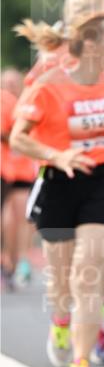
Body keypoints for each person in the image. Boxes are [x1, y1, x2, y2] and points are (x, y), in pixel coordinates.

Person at [10, 11, 104, 367]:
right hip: (59, 182)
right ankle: (60, 323)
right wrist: (56, 155)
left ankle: (80, 366)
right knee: (61, 281)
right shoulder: (48, 85)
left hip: (101, 183)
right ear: (90, 44)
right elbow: (19, 138)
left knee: (90, 275)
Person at [1, 69, 38, 287]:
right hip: (6, 168)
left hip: (23, 170)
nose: (11, 86)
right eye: (7, 83)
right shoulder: (4, 102)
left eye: (15, 82)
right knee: (7, 217)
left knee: (23, 217)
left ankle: (20, 260)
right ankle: (8, 261)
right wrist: (17, 137)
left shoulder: (28, 103)